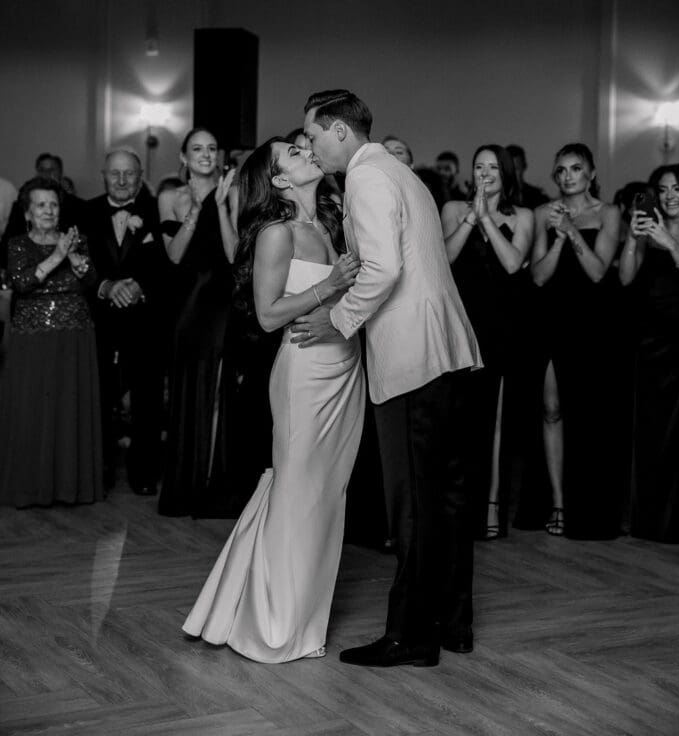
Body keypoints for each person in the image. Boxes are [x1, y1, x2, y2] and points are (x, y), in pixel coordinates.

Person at [298, 89, 482, 668]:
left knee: (414, 506)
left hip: (411, 359)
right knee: (447, 501)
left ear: (339, 131)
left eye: (313, 135)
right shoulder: (400, 173)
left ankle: (410, 636)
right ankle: (452, 624)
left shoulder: (367, 178)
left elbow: (384, 269)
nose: (309, 145)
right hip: (445, 352)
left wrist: (339, 321)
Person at [183, 138, 363, 661]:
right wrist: (329, 284)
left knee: (327, 498)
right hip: (303, 375)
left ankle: (305, 619)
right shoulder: (275, 233)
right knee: (296, 492)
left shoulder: (330, 225)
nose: (306, 150)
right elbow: (267, 315)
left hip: (345, 371)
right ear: (279, 179)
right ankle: (272, 624)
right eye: (293, 151)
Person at [441, 145, 533, 540]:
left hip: (502, 325)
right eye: (479, 165)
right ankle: (457, 506)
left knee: (494, 420)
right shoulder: (450, 209)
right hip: (461, 323)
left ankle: (492, 505)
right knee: (458, 418)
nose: (485, 172)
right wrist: (469, 219)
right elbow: (442, 258)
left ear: (506, 173)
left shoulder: (524, 216)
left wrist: (487, 220)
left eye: (493, 166)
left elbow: (513, 263)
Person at [531, 143, 621, 539]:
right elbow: (537, 277)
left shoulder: (609, 213)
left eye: (576, 169)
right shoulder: (541, 214)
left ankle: (590, 507)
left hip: (592, 325)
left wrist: (572, 231)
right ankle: (558, 503)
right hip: (552, 320)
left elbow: (599, 272)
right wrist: (556, 238)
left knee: (589, 416)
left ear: (590, 173)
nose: (568, 176)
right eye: (562, 170)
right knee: (551, 409)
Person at [0, 177, 102, 507]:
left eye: (54, 204)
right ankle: (31, 488)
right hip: (33, 338)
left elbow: (90, 281)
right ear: (28, 212)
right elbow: (24, 281)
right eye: (41, 205)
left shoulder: (77, 240)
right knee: (33, 410)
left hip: (74, 336)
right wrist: (58, 255)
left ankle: (69, 488)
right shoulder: (17, 244)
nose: (49, 210)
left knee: (67, 411)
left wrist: (74, 257)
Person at [158, 127, 238, 517]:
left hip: (222, 302)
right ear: (184, 157)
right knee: (188, 389)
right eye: (197, 149)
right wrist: (192, 212)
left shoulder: (233, 190)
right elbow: (172, 257)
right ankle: (185, 486)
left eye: (211, 148)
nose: (206, 154)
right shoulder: (170, 197)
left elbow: (234, 253)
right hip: (187, 303)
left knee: (218, 389)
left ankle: (214, 486)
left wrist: (221, 207)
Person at [86, 150, 167, 494]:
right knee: (99, 395)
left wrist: (140, 286)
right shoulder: (84, 212)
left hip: (144, 320)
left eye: (129, 174)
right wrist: (106, 286)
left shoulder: (157, 210)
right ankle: (99, 471)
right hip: (99, 320)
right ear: (103, 174)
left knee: (147, 398)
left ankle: (143, 471)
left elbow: (169, 262)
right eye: (114, 173)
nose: (121, 181)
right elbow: (77, 263)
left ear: (140, 175)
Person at [618, 163, 679, 542]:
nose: (671, 196)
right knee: (653, 431)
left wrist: (671, 242)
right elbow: (626, 277)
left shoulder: (670, 233)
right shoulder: (648, 228)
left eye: (678, 189)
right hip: (653, 343)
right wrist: (632, 236)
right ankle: (652, 520)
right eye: (664, 189)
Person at [0, 152, 86, 269]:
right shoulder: (22, 206)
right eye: (42, 170)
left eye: (52, 169)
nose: (47, 174)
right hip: (27, 269)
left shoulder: (78, 206)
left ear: (60, 173)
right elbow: (7, 247)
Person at [506, 145, 548, 210]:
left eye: (516, 168)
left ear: (524, 167)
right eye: (508, 169)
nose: (512, 173)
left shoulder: (537, 197)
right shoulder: (496, 198)